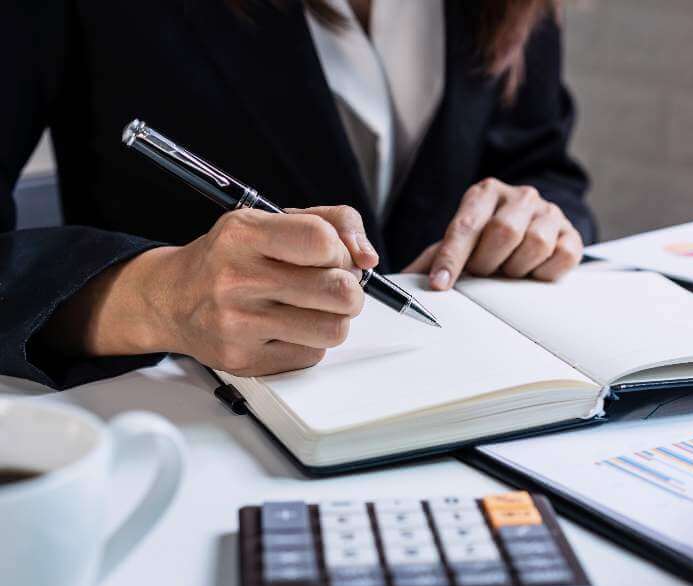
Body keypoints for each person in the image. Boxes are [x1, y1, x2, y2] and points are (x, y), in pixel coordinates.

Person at [0, 0, 594, 389]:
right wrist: (156, 299)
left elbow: (542, 165)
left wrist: (535, 223)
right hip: (183, 432)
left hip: (456, 403)